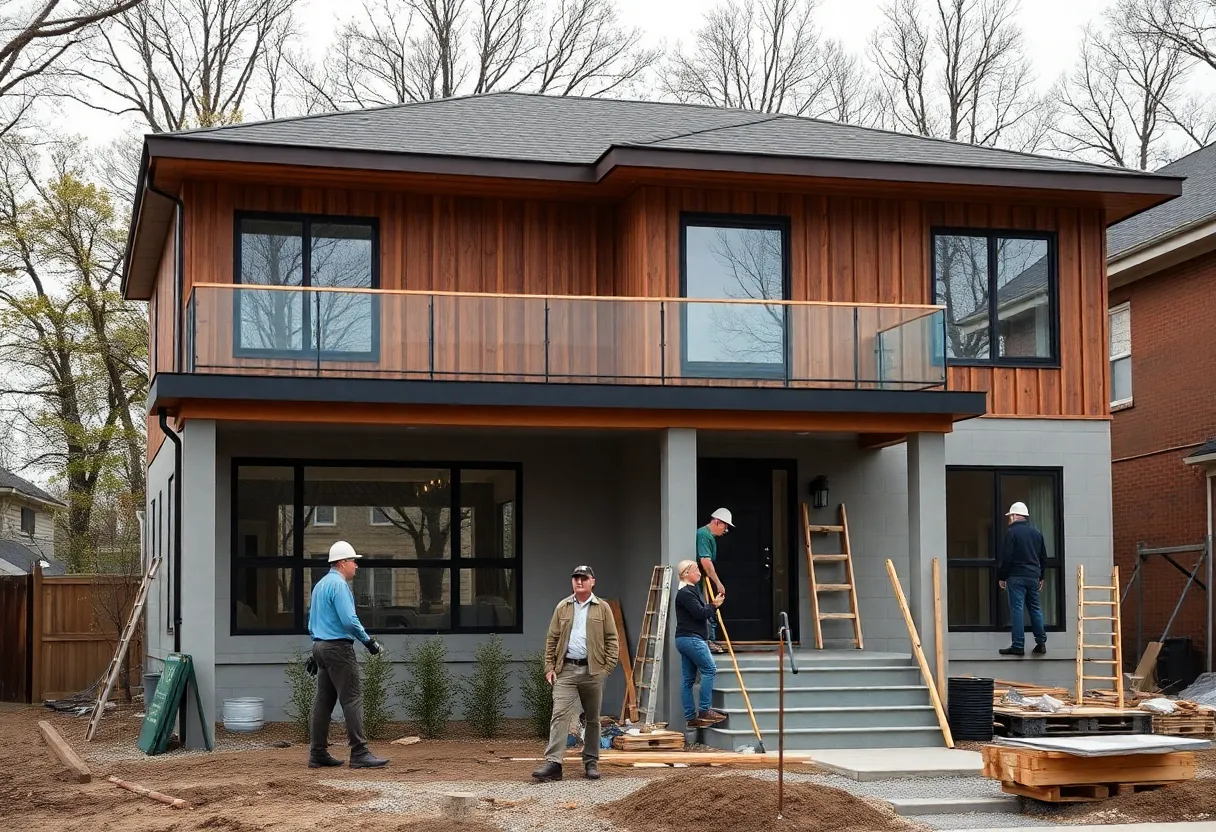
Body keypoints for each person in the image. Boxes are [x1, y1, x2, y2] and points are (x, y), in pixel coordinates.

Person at [532, 565, 619, 783]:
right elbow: (552, 638)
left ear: (592, 581)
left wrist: (606, 668)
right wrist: (549, 668)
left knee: (592, 718)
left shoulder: (603, 608)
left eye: (583, 578)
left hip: (593, 670)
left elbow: (612, 639)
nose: (579, 581)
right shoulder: (563, 606)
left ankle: (590, 761)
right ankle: (554, 763)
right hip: (566, 670)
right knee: (559, 714)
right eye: (576, 578)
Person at [306, 540, 389, 769]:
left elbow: (313, 622)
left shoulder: (320, 585)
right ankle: (360, 752)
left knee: (323, 701)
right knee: (351, 698)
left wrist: (316, 651)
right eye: (354, 561)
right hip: (338, 649)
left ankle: (317, 753)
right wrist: (369, 642)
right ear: (343, 563)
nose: (356, 566)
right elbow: (349, 621)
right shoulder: (340, 586)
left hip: (321, 646)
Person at [674, 559, 728, 728]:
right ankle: (704, 710)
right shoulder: (686, 593)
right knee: (710, 669)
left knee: (688, 679)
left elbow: (700, 612)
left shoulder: (689, 592)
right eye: (696, 570)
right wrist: (714, 605)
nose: (699, 572)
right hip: (692, 638)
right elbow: (700, 613)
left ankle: (691, 717)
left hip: (684, 638)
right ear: (686, 574)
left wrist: (712, 606)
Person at [997, 502, 1048, 657]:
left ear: (1014, 516)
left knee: (1017, 610)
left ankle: (1018, 645)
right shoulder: (1037, 533)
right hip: (1033, 576)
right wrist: (1041, 576)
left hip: (1016, 576)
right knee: (1035, 609)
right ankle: (1041, 642)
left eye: (1010, 516)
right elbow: (1043, 557)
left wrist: (1002, 576)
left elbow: (1007, 557)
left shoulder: (1012, 533)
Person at [696, 507, 733, 653]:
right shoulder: (703, 535)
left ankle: (710, 640)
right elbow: (705, 561)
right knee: (707, 608)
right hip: (700, 580)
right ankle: (708, 642)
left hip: (704, 579)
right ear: (717, 522)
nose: (725, 531)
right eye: (725, 526)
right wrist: (718, 583)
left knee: (710, 607)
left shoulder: (708, 536)